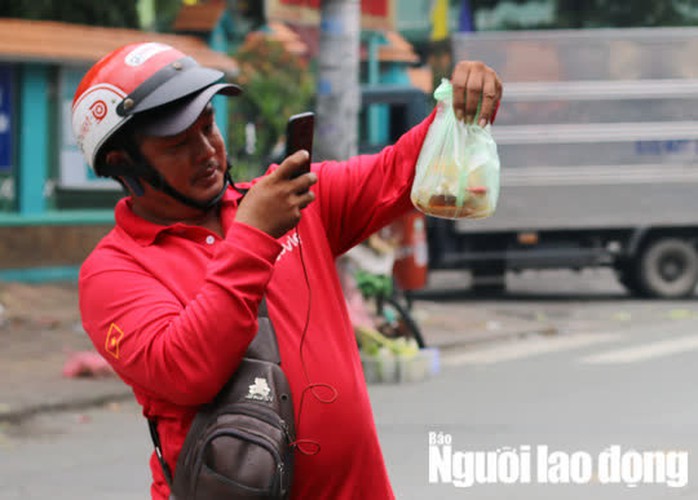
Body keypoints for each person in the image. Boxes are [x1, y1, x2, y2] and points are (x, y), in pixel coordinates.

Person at [73, 41, 502, 499]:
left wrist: (457, 109)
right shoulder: (113, 272)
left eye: (209, 126)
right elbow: (187, 368)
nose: (207, 151)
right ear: (123, 164)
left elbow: (400, 170)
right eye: (180, 143)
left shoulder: (289, 199)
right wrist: (255, 235)